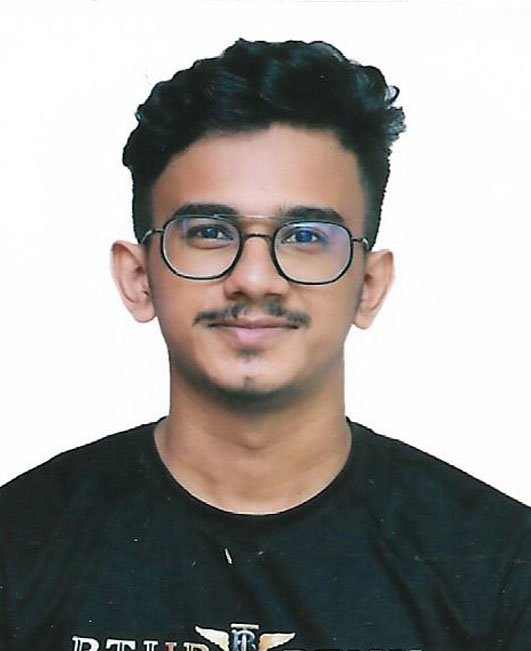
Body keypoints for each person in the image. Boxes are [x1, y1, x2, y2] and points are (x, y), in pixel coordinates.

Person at [0, 38, 529, 651]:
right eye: (209, 232)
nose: (254, 278)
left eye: (305, 235)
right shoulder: (19, 544)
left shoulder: (498, 567)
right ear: (139, 278)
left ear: (369, 286)